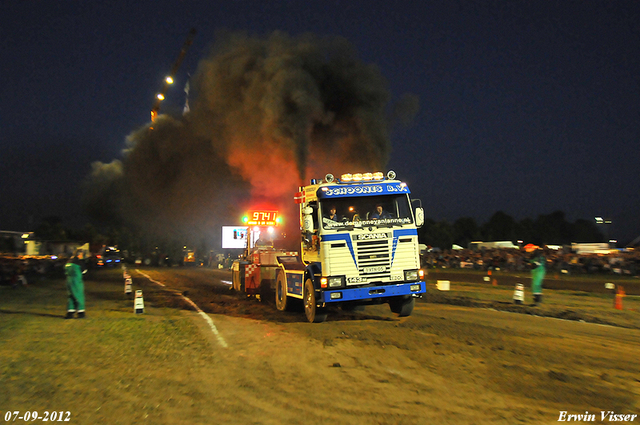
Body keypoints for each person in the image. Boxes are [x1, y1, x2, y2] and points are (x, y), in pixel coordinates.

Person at [64, 249, 86, 319]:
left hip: (69, 280)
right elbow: (84, 271)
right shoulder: (78, 262)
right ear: (80, 255)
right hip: (77, 281)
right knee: (79, 296)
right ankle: (81, 312)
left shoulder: (68, 262)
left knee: (71, 296)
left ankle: (70, 312)